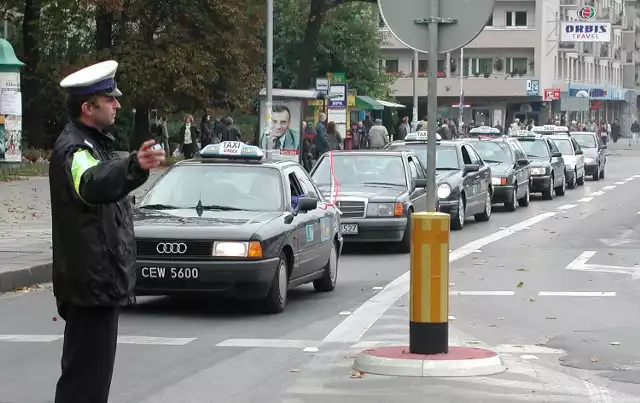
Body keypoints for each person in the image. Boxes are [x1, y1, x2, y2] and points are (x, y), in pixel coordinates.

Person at [51, 60, 165, 403]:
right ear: (88, 107)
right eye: (109, 99)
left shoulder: (93, 143)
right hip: (90, 285)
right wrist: (132, 166)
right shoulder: (75, 149)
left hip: (98, 283)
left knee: (92, 383)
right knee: (83, 385)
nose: (117, 104)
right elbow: (92, 184)